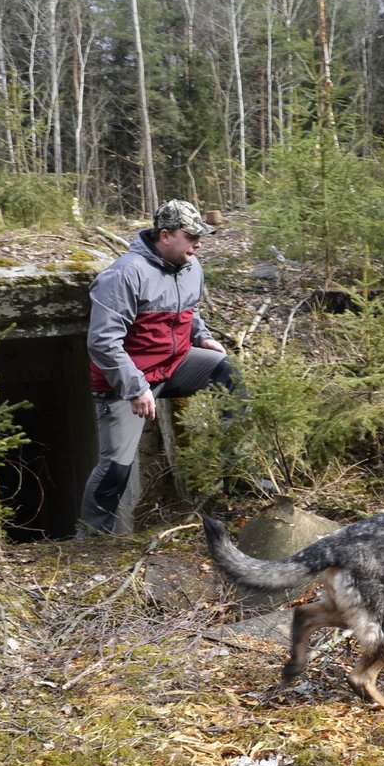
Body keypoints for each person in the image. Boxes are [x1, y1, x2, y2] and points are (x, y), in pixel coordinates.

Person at [78, 199, 238, 535]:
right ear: (165, 236)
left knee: (229, 373)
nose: (198, 243)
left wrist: (203, 337)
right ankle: (89, 539)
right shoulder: (124, 275)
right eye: (191, 236)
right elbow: (102, 343)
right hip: (124, 383)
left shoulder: (191, 266)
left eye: (201, 236)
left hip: (174, 365)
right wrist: (135, 388)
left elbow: (190, 311)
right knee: (116, 470)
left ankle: (237, 479)